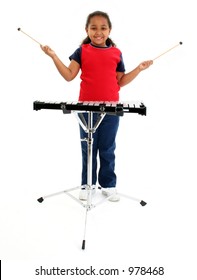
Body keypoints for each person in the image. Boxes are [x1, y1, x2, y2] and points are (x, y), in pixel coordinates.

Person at [41, 10, 153, 202]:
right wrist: (53, 56)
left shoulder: (116, 53)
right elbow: (69, 75)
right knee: (88, 147)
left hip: (111, 108)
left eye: (103, 28)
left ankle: (108, 184)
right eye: (94, 28)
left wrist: (139, 69)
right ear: (87, 29)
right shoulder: (81, 51)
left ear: (109, 30)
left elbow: (121, 81)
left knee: (107, 147)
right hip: (86, 108)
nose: (98, 32)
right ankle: (87, 184)